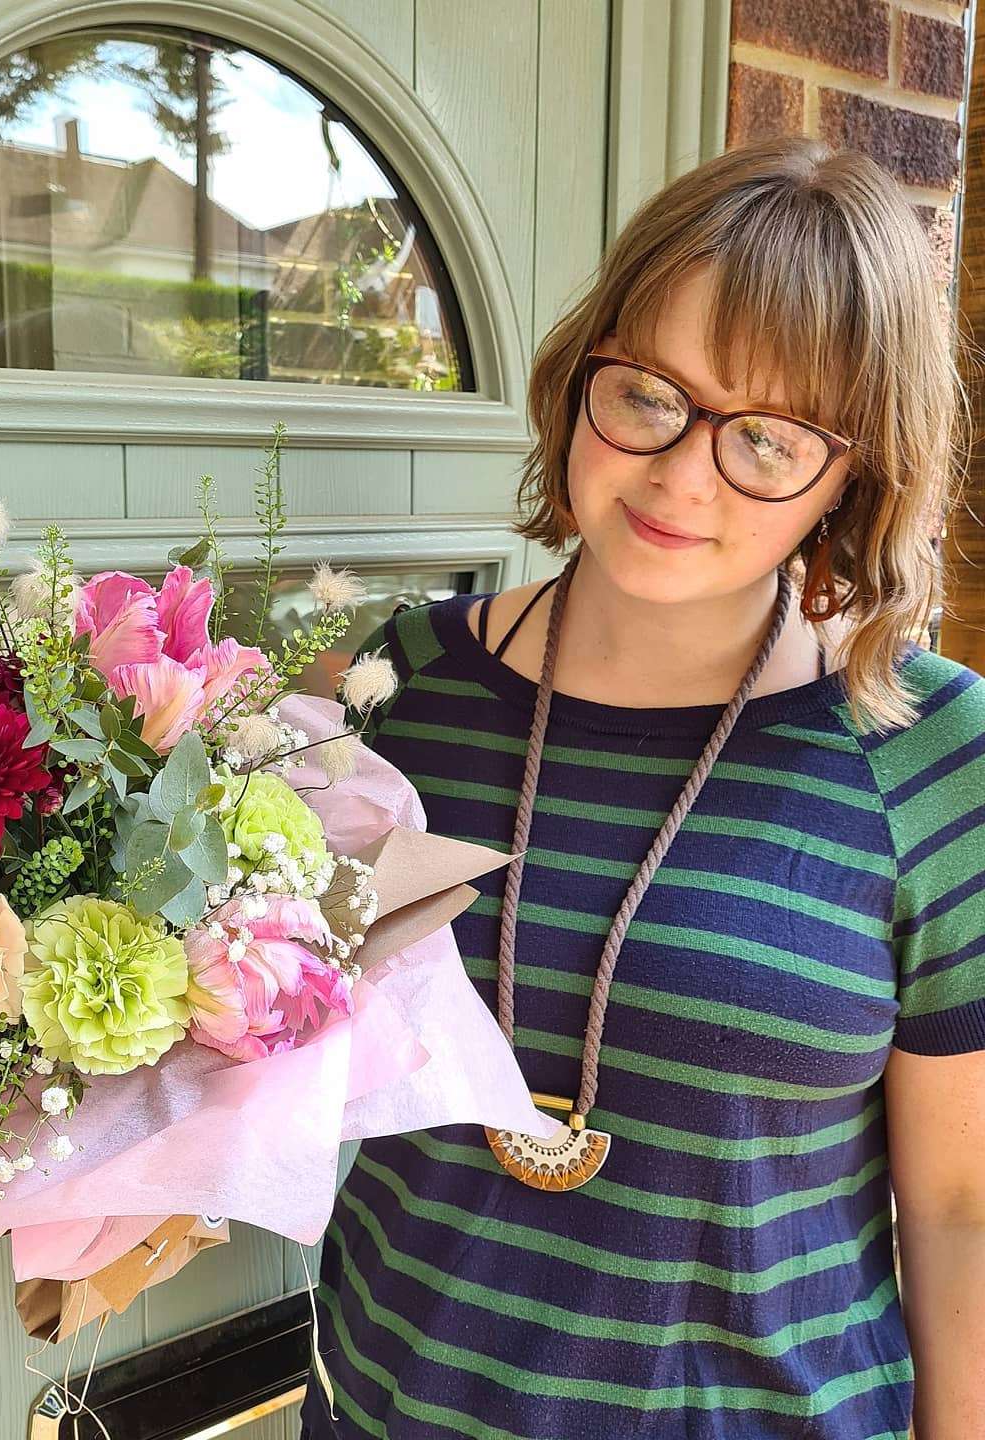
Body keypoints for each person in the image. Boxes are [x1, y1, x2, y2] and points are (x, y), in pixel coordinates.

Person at [299, 135, 985, 1439]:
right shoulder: (399, 687)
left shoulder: (934, 755)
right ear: (580, 380)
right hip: (388, 1407)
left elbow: (960, 1208)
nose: (680, 472)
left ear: (856, 472)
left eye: (769, 438)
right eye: (649, 395)